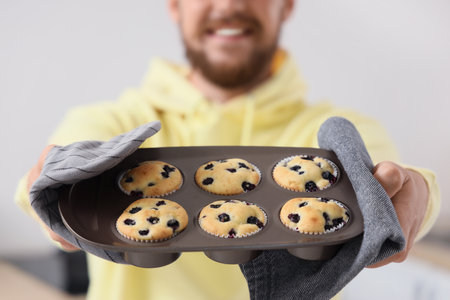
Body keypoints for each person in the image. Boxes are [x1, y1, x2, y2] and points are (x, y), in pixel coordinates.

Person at [15, 0, 440, 299]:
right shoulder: (121, 122)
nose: (229, 3)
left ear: (285, 5)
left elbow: (391, 173)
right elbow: (65, 157)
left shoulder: (327, 133)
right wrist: (54, 176)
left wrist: (417, 188)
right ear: (175, 5)